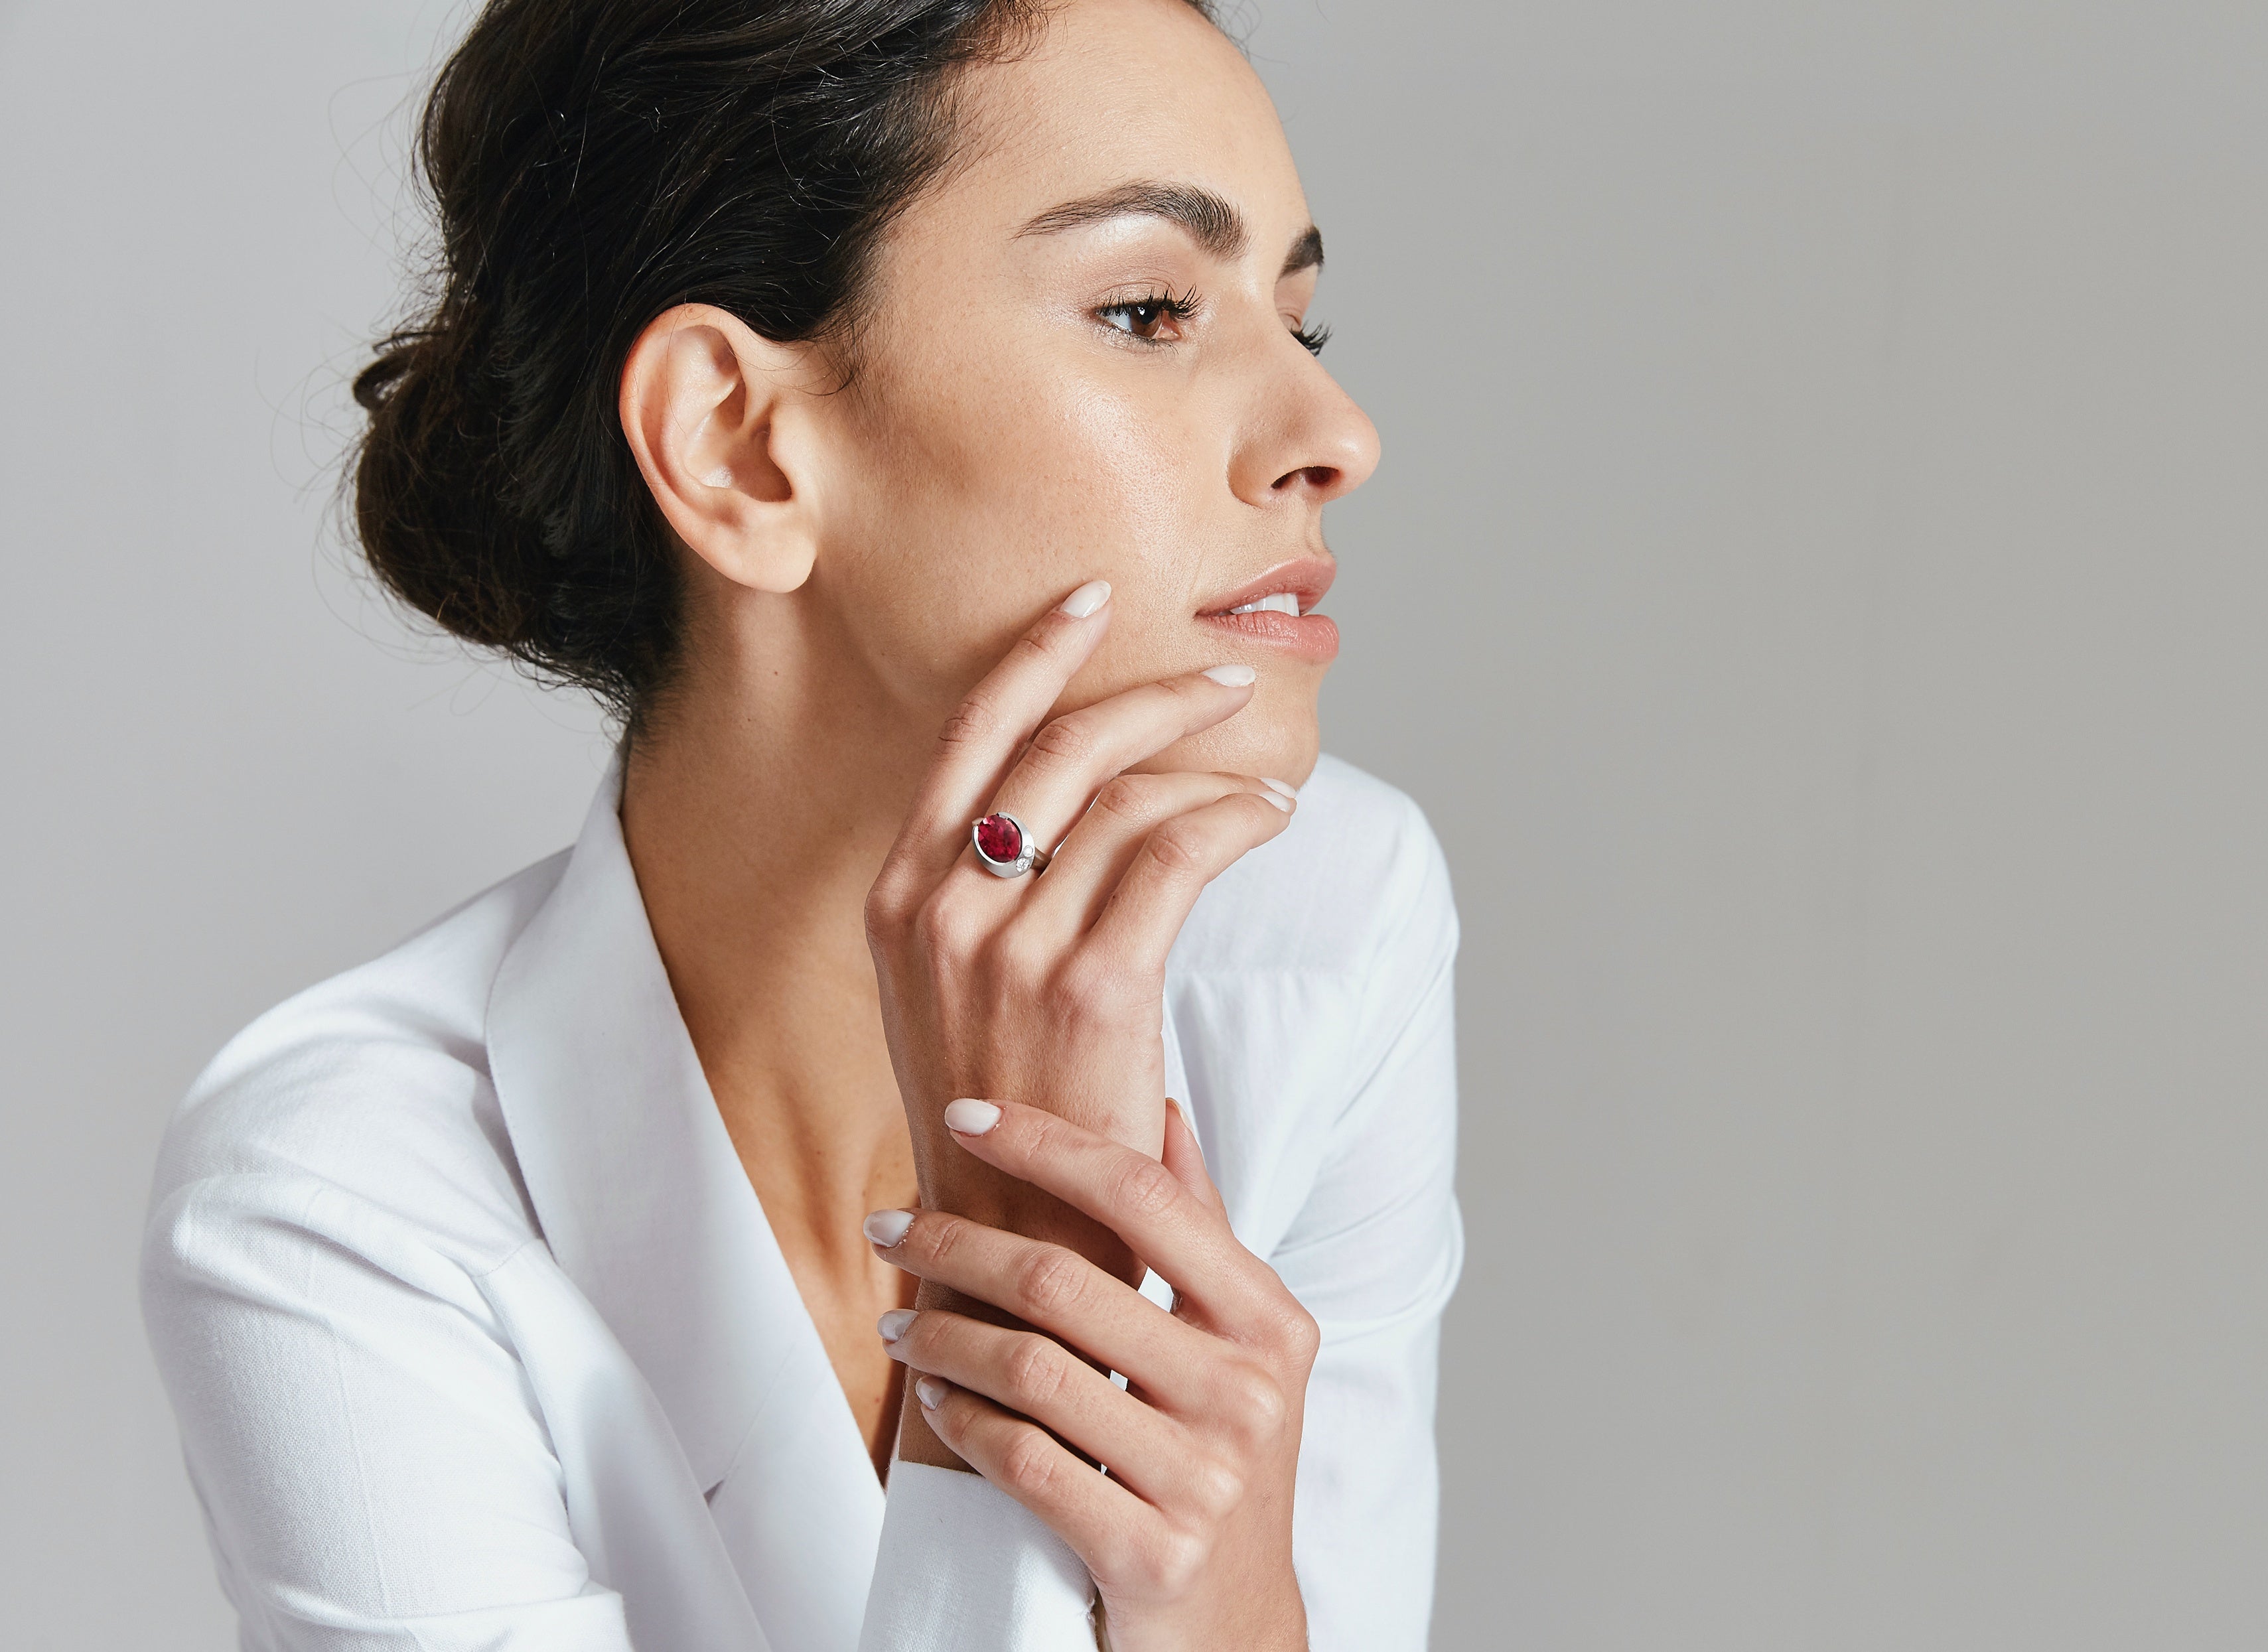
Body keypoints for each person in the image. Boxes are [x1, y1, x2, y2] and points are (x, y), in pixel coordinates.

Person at [139, 0, 1460, 1646]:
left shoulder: (1323, 919)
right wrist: (1025, 1280)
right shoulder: (338, 1206)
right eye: (1147, 310)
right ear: (741, 448)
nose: (1337, 438)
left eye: (1301, 322)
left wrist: (1237, 1605)